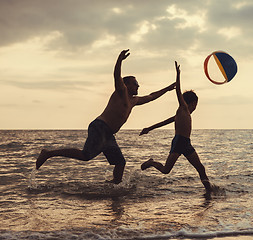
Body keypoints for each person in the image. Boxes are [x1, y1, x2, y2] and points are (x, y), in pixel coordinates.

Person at [36, 49, 176, 184]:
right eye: (135, 84)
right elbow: (116, 76)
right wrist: (119, 60)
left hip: (108, 133)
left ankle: (115, 188)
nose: (138, 86)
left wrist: (168, 88)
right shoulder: (121, 91)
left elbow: (151, 96)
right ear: (126, 84)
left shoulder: (134, 100)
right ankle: (48, 153)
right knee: (85, 156)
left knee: (120, 162)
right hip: (100, 127)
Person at [140, 61, 212, 193]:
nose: (196, 107)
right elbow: (178, 92)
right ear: (191, 103)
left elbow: (164, 122)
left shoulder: (182, 114)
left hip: (186, 143)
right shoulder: (183, 108)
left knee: (200, 168)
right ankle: (151, 163)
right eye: (196, 104)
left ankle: (209, 191)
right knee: (166, 170)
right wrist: (178, 75)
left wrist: (149, 129)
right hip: (179, 142)